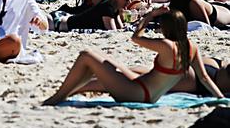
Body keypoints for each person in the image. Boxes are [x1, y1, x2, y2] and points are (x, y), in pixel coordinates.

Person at [44, 7, 223, 105]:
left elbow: (135, 38)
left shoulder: (167, 45)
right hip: (149, 94)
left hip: (136, 93)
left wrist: (149, 15)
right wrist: (221, 98)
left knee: (86, 55)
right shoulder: (191, 47)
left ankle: (57, 97)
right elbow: (205, 77)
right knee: (110, 61)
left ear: (166, 28)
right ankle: (69, 91)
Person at [53, 0, 133, 32]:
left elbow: (120, 28)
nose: (129, 2)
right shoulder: (107, 8)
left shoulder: (114, 8)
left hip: (65, 18)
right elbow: (113, 31)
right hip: (58, 22)